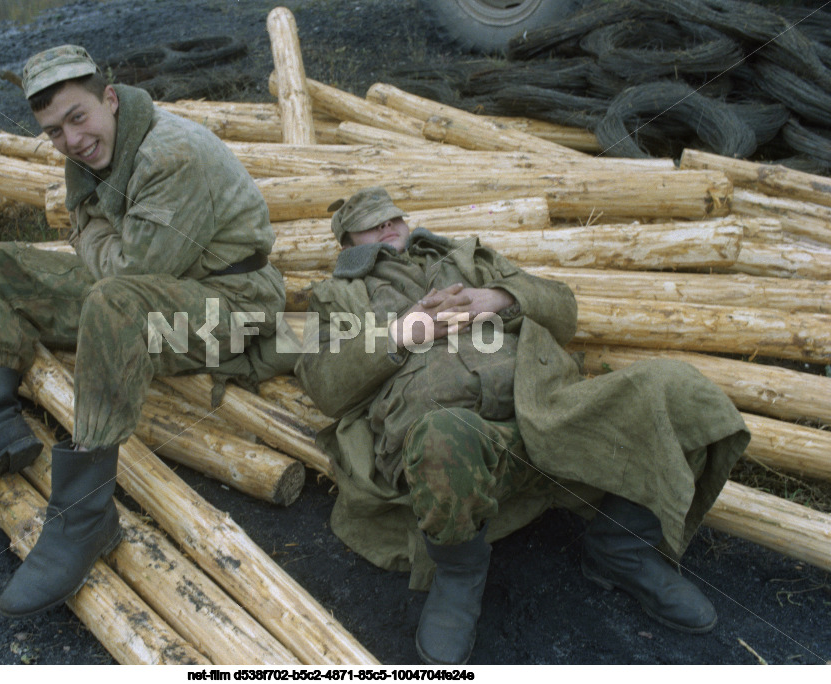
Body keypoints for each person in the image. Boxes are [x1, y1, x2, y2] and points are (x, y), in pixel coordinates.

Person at [294, 186, 750, 665]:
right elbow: (325, 384)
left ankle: (622, 549)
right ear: (347, 245)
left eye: (394, 218)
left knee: (680, 390)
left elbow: (562, 307)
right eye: (372, 224)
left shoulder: (468, 259)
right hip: (467, 442)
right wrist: (402, 332)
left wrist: (497, 297)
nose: (388, 226)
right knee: (443, 438)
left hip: (551, 411)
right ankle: (458, 577)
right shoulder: (338, 297)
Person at [0, 45, 290, 617]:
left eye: (78, 117)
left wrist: (89, 237)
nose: (71, 140)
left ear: (109, 100)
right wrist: (95, 240)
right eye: (54, 131)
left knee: (114, 299)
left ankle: (85, 515)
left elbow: (129, 268)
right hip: (150, 289)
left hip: (229, 307)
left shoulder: (170, 154)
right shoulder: (89, 154)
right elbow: (108, 249)